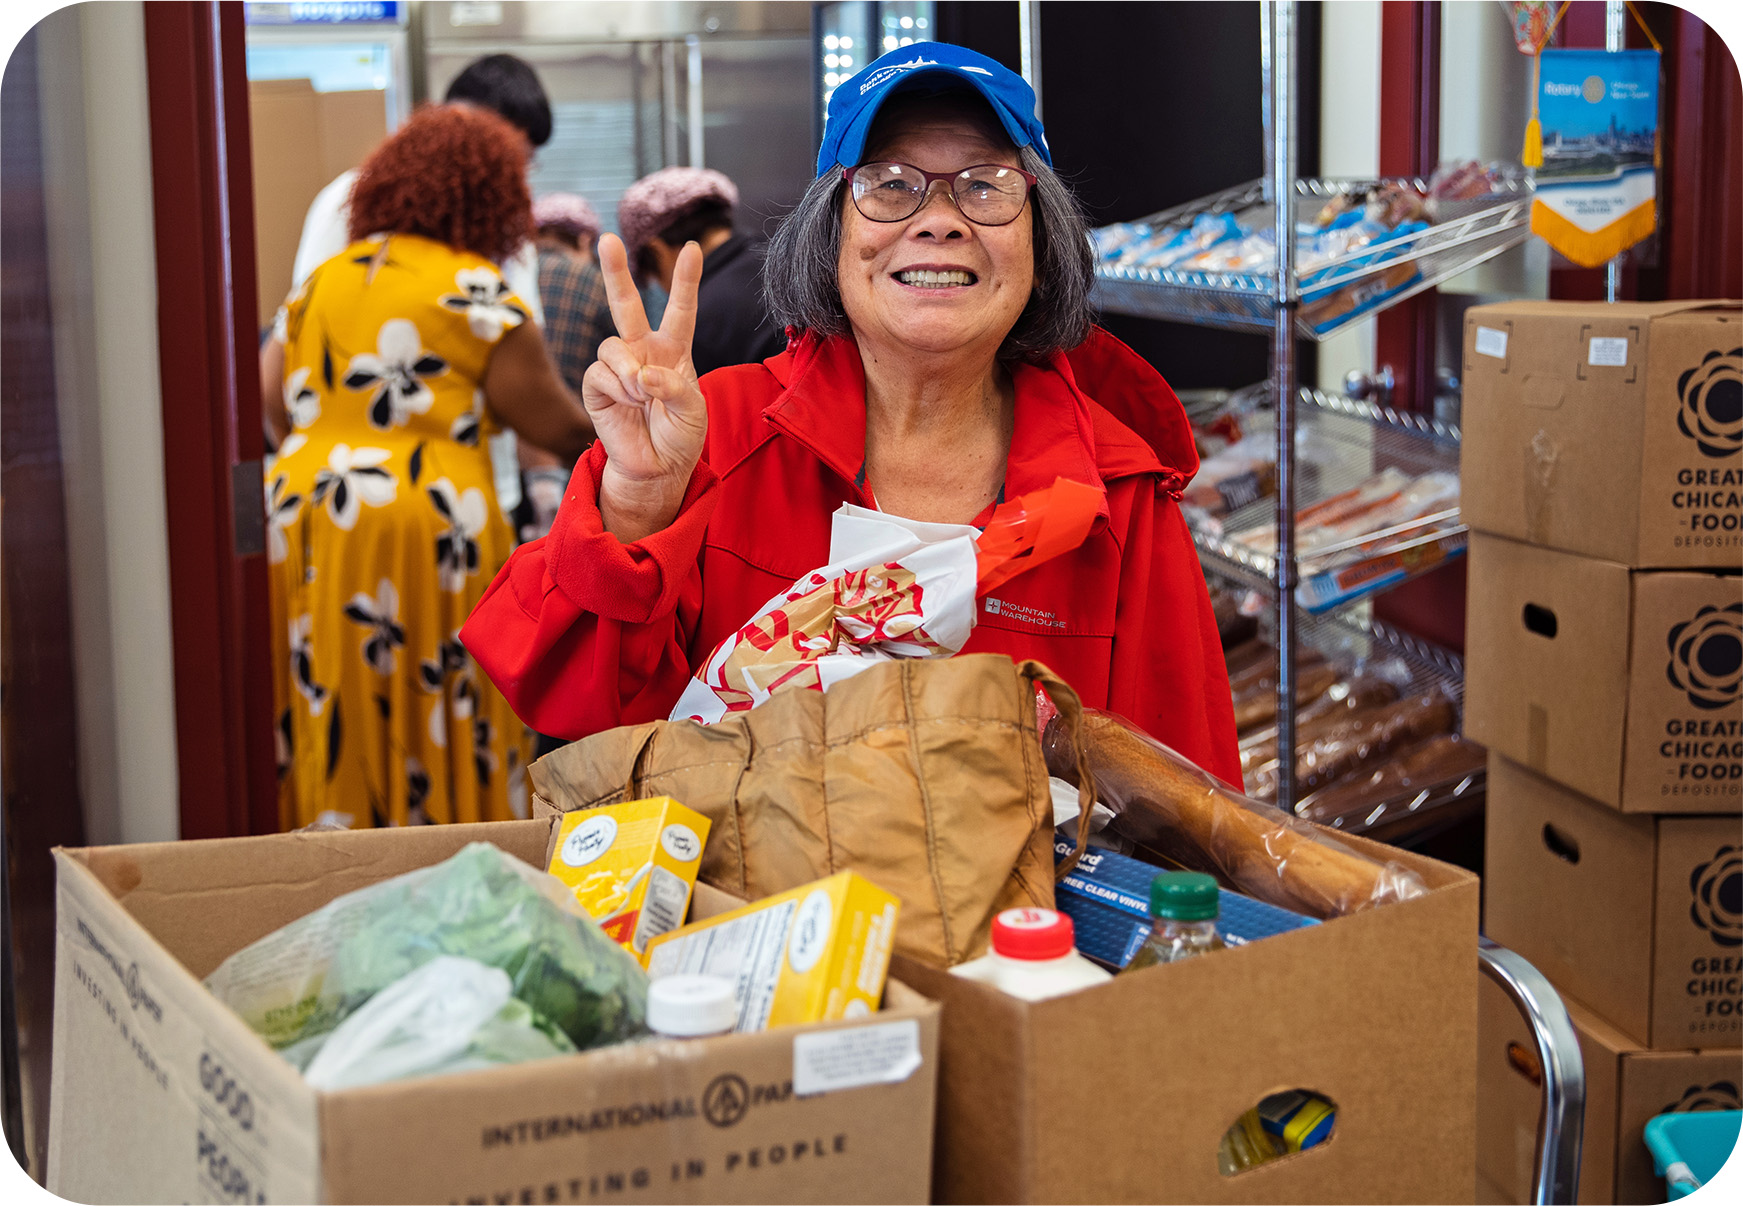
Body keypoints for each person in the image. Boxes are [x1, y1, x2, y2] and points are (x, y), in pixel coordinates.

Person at [461, 42, 1240, 785]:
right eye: (890, 183)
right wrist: (635, 505)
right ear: (829, 233)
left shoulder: (1118, 493)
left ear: (1043, 238)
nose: (939, 219)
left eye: (985, 184)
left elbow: (1185, 807)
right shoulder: (714, 433)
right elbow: (576, 709)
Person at [260, 104, 594, 831]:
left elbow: (271, 403)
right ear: (489, 200)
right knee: (432, 693)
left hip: (305, 510)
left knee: (329, 689)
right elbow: (548, 421)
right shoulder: (473, 292)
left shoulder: (323, 282)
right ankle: (438, 842)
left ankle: (327, 840)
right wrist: (619, 424)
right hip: (422, 517)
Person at [616, 167, 786, 375]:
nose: (659, 287)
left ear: (657, 250)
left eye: (652, 276)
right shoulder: (781, 258)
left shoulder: (694, 325)